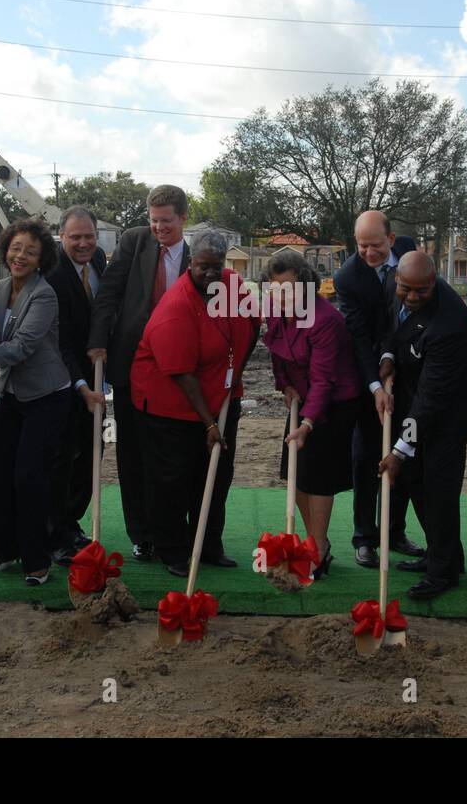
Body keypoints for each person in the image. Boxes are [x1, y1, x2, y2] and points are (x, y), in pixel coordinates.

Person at [130, 230, 259, 577]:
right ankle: (171, 549)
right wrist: (209, 424)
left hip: (221, 397)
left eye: (217, 267)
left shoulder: (233, 286)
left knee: (217, 474)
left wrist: (233, 379)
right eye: (203, 267)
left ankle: (208, 545)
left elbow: (252, 329)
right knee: (173, 478)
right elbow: (183, 375)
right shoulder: (176, 307)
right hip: (170, 403)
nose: (211, 274)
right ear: (191, 263)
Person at [87, 184, 190, 561]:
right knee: (131, 451)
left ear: (183, 218)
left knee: (169, 453)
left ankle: (172, 529)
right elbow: (109, 294)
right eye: (154, 220)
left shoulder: (199, 256)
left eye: (166, 221)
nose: (159, 228)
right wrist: (98, 340)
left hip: (177, 371)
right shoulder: (134, 242)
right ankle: (141, 534)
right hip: (131, 364)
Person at [377, 253, 467, 599]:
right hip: (420, 395)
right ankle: (446, 554)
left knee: (438, 485)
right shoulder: (399, 287)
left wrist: (398, 450)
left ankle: (443, 573)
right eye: (405, 289)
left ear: (435, 280)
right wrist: (389, 356)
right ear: (397, 280)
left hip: (449, 409)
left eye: (420, 291)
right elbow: (394, 327)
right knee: (414, 478)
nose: (411, 297)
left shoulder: (449, 325)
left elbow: (430, 403)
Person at [0, 219, 72, 586]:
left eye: (30, 252)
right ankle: (6, 553)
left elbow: (21, 347)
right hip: (10, 392)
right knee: (0, 471)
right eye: (16, 248)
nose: (21, 256)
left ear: (41, 259)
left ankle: (37, 561)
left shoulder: (44, 294)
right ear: (6, 249)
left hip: (46, 395)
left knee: (29, 476)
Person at [332, 210, 424, 570]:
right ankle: (364, 537)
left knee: (403, 450)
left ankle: (394, 531)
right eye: (361, 245)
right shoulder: (348, 277)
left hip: (412, 368)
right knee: (367, 453)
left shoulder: (410, 251)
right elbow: (358, 337)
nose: (368, 253)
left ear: (391, 239)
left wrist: (398, 361)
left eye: (375, 245)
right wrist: (375, 386)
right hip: (369, 371)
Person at [263, 250, 359, 577]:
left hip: (332, 403)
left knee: (318, 476)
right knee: (296, 473)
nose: (282, 295)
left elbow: (324, 379)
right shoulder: (276, 311)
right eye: (275, 288)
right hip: (299, 396)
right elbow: (278, 355)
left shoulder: (325, 319)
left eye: (289, 288)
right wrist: (284, 385)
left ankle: (319, 548)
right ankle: (312, 540)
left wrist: (307, 423)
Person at [48, 205, 108, 564]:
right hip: (64, 384)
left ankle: (71, 524)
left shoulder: (99, 261)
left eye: (88, 236)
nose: (83, 243)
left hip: (96, 381)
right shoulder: (54, 275)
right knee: (62, 461)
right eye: (75, 237)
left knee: (91, 455)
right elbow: (61, 341)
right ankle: (54, 535)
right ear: (62, 237)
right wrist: (81, 386)